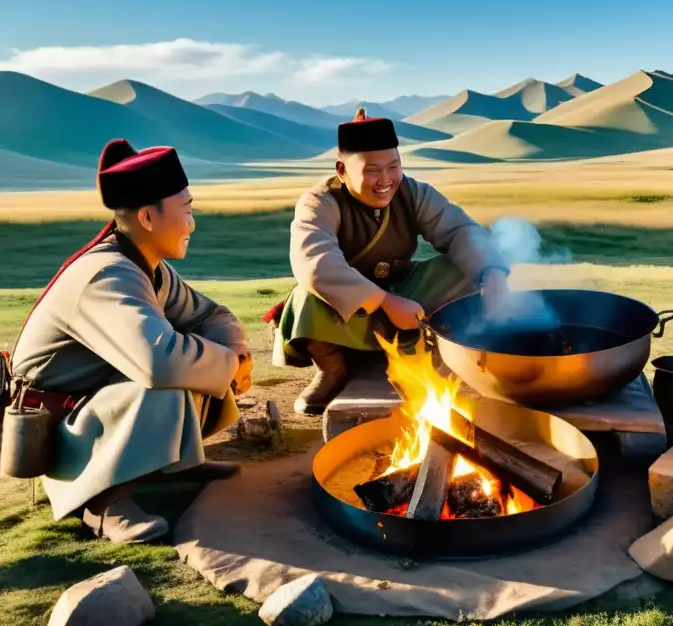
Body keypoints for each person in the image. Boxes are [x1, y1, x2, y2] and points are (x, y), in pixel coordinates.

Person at [8, 139, 252, 543]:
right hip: (58, 430)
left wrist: (235, 352)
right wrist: (229, 364)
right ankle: (102, 504)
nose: (192, 224)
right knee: (166, 376)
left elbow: (211, 316)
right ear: (147, 217)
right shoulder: (107, 276)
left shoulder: (149, 269)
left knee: (192, 354)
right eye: (186, 211)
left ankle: (174, 465)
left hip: (95, 407)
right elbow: (158, 362)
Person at [265, 108, 511, 415]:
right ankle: (334, 370)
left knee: (466, 269)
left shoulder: (414, 192)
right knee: (306, 296)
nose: (385, 180)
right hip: (347, 307)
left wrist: (492, 275)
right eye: (371, 170)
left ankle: (434, 355)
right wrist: (384, 301)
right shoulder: (320, 202)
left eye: (393, 167)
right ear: (342, 169)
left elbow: (460, 230)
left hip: (405, 290)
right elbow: (315, 262)